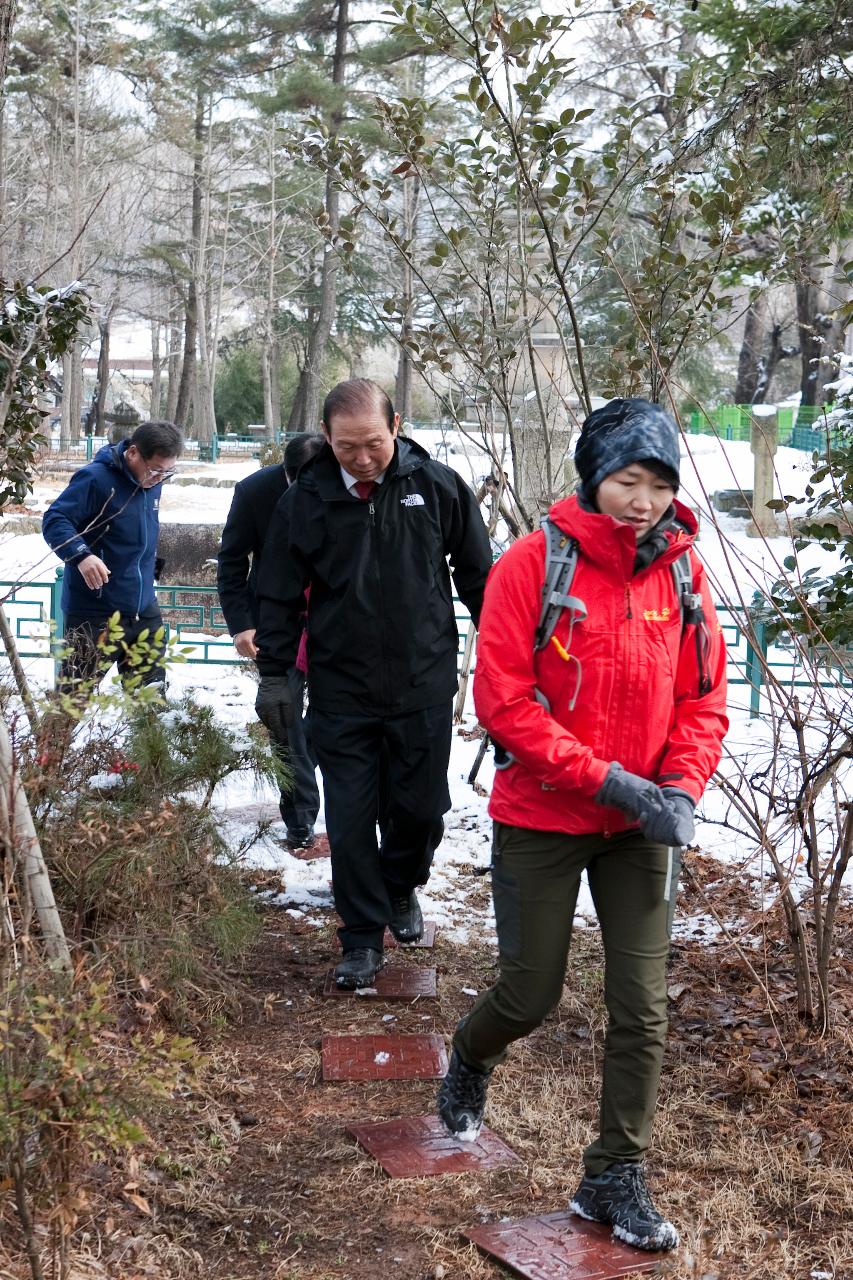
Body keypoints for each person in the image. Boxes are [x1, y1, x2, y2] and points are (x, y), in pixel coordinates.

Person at [437, 398, 728, 1252]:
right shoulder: (531, 562)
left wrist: (676, 786)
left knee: (640, 1010)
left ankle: (611, 1176)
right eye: (626, 481)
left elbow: (703, 694)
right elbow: (503, 700)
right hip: (543, 814)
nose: (641, 501)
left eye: (658, 484)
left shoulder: (680, 571)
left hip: (642, 824)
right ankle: (470, 1054)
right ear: (594, 476)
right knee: (530, 992)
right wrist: (608, 780)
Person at [254, 378, 493, 988]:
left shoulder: (436, 488)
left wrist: (507, 655)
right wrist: (276, 677)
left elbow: (479, 578)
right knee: (353, 818)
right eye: (345, 447)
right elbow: (277, 596)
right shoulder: (303, 500)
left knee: (418, 813)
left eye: (373, 444)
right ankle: (361, 937)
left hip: (423, 682)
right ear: (326, 438)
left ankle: (403, 884)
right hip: (341, 687)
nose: (361, 458)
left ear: (397, 427)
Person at [217, 432, 325, 849]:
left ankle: (304, 766)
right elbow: (230, 561)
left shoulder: (347, 485)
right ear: (286, 472)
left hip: (332, 622)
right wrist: (241, 625)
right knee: (280, 713)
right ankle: (299, 818)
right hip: (275, 623)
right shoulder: (255, 492)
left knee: (323, 721)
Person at [42, 420, 184, 699]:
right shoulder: (95, 479)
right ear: (132, 453)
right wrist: (81, 556)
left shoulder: (152, 482)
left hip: (143, 611)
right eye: (155, 469)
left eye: (168, 473)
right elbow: (55, 519)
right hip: (95, 613)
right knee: (71, 702)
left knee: (151, 703)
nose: (159, 478)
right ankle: (51, 744)